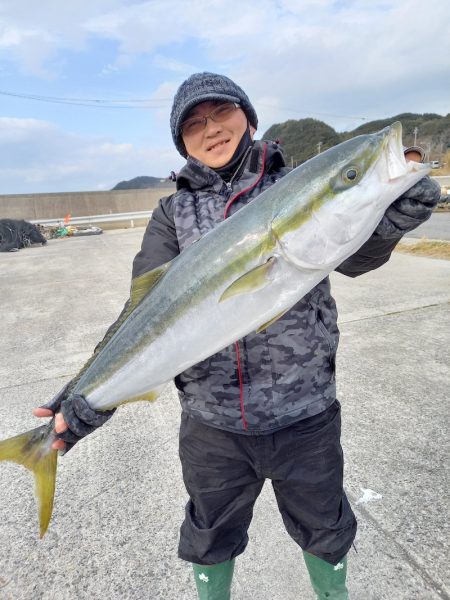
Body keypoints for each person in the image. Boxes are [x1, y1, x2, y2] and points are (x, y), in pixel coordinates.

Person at [33, 72, 440, 599]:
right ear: (182, 142)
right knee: (210, 535)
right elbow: (141, 315)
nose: (212, 129)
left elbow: (351, 256)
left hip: (306, 412)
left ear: (248, 116)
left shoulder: (288, 186)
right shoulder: (170, 213)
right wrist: (83, 398)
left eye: (221, 112)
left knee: (326, 530)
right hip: (212, 424)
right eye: (193, 123)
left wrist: (386, 224)